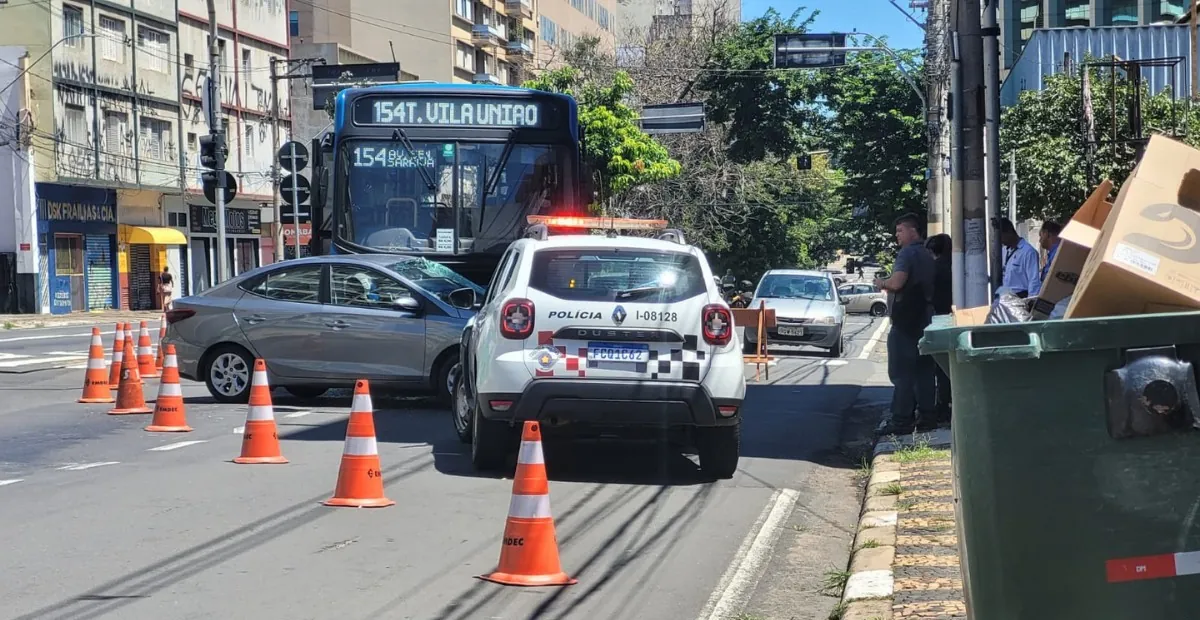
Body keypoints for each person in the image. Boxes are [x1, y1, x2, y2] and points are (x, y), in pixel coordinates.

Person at [875, 213, 937, 435]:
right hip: (927, 318)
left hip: (906, 320)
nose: (896, 236)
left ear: (913, 231)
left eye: (900, 231)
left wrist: (881, 282)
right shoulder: (928, 254)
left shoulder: (907, 254)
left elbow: (897, 282)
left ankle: (901, 420)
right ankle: (927, 417)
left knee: (901, 373)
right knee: (924, 371)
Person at [926, 233, 953, 426]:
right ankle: (946, 405)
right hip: (954, 316)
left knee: (940, 369)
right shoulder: (956, 265)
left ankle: (942, 407)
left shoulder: (934, 269)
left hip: (938, 318)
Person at [997, 217, 1041, 298]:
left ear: (1009, 232)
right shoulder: (1003, 251)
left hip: (1020, 297)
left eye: (1001, 237)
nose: (1000, 241)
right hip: (1004, 297)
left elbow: (1033, 281)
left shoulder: (1028, 252)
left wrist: (1031, 302)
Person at [1038, 221, 1063, 286]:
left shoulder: (1058, 254)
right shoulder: (1054, 253)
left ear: (1046, 234)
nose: (1039, 240)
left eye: (1040, 236)